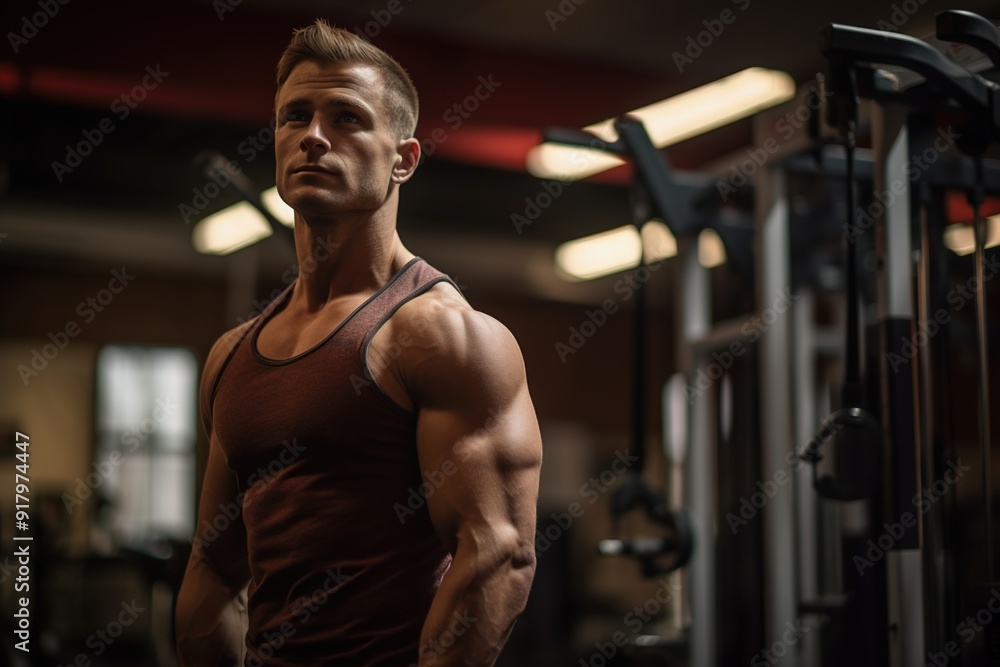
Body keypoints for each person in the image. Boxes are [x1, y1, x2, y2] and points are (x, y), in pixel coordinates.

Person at [174, 18, 543, 667]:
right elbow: (212, 563)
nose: (313, 136)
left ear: (404, 158)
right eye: (295, 117)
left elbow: (496, 555)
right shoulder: (231, 356)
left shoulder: (441, 335)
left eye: (346, 118)